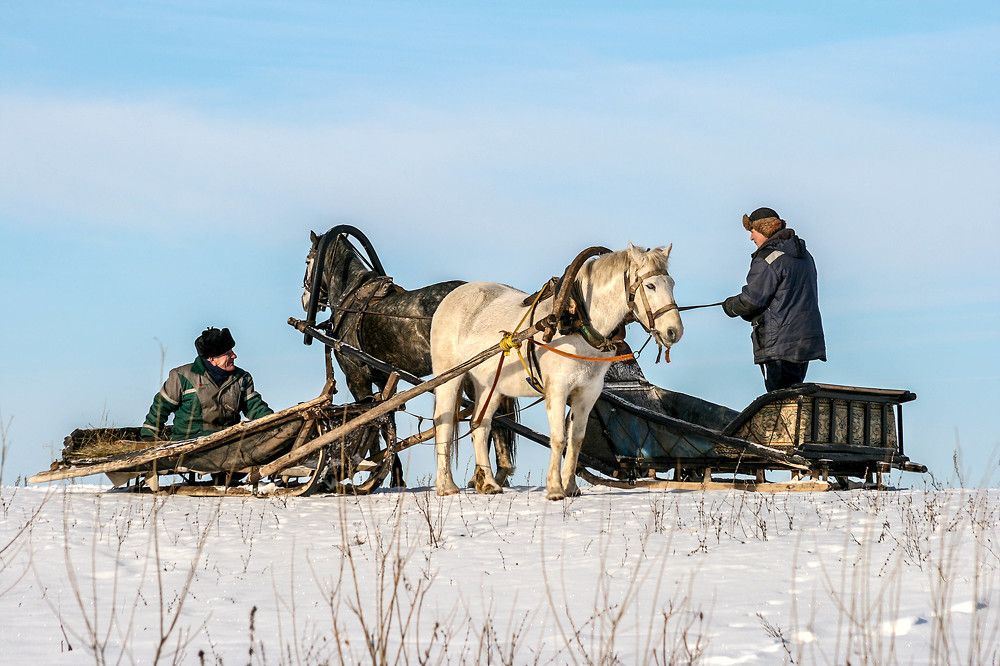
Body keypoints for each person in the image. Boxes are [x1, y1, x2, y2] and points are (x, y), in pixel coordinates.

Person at [723, 207, 826, 391]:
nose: (751, 238)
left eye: (752, 232)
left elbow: (752, 300)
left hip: (779, 343)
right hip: (805, 341)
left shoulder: (768, 258)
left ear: (762, 229)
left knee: (779, 400)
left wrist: (730, 306)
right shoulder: (805, 256)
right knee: (792, 396)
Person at [140, 327, 273, 440]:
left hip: (228, 442)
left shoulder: (242, 378)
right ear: (211, 359)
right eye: (228, 353)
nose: (234, 356)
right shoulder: (181, 376)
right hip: (188, 444)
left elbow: (256, 408)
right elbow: (159, 408)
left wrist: (276, 423)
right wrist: (148, 438)